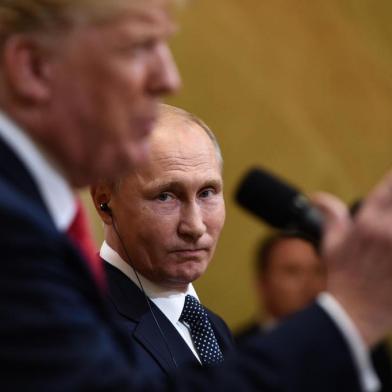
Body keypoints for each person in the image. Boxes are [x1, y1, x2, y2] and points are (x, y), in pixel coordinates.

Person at [1, 1, 392, 391]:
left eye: (208, 192)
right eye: (139, 47)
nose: (169, 77)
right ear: (34, 66)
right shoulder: (18, 235)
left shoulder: (210, 327)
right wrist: (349, 316)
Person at [90, 104, 234, 377]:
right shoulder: (89, 329)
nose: (194, 226)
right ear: (103, 201)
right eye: (166, 196)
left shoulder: (215, 329)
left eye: (207, 193)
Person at [236, 231, 325, 341]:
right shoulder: (234, 352)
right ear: (264, 284)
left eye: (318, 271)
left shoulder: (341, 346)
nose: (310, 284)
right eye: (293, 272)